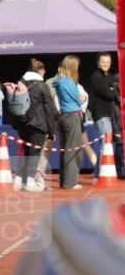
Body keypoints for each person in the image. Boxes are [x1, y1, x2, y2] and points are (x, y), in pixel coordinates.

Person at [10, 66, 57, 192]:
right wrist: (51, 131)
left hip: (22, 125)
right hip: (38, 125)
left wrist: (16, 124)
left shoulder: (19, 84)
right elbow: (49, 109)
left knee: (24, 153)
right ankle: (30, 182)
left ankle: (19, 181)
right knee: (34, 154)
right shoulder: (42, 86)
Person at [52, 55, 84, 190]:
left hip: (64, 116)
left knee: (66, 149)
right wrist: (82, 98)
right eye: (76, 65)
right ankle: (70, 182)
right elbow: (77, 99)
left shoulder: (59, 80)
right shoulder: (69, 81)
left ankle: (65, 181)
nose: (77, 67)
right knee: (74, 150)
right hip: (72, 116)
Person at [89, 53, 120, 179]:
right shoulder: (96, 77)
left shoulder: (110, 76)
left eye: (108, 62)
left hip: (109, 115)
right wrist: (113, 90)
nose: (106, 64)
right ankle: (100, 175)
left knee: (107, 144)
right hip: (101, 115)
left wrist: (113, 89)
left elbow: (114, 91)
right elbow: (110, 94)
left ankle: (97, 172)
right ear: (98, 62)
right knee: (105, 143)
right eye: (103, 62)